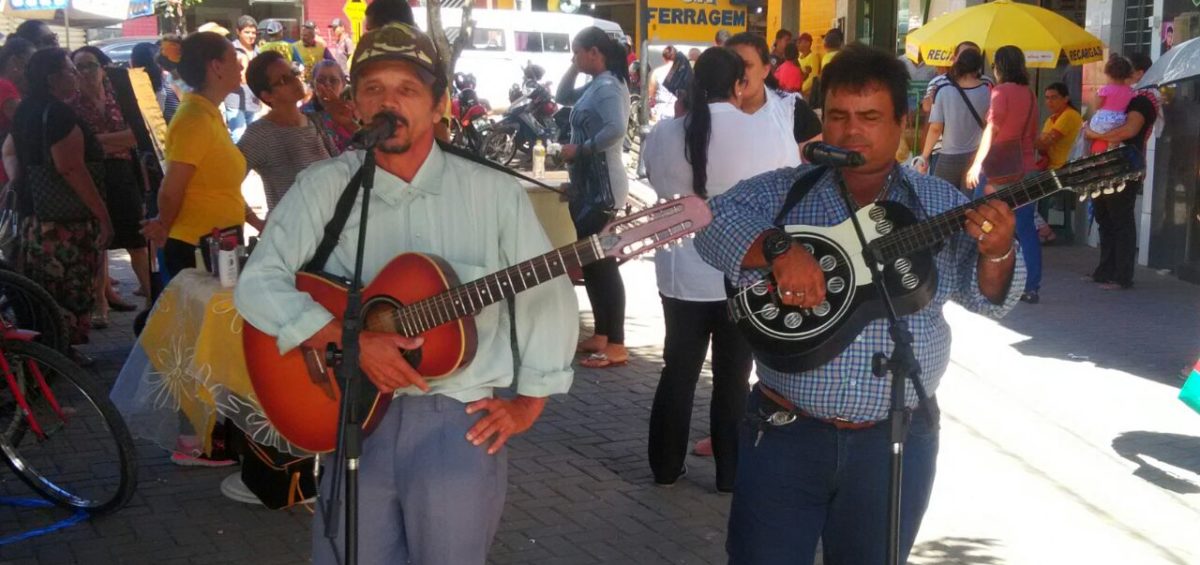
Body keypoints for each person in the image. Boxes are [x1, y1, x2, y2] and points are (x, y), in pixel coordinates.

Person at [234, 22, 577, 563]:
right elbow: (258, 284)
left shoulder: (493, 193)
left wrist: (530, 401)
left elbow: (547, 294)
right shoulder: (325, 186)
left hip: (458, 419)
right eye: (372, 89)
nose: (387, 101)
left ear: (439, 105)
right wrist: (344, 339)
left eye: (407, 89)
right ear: (354, 104)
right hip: (349, 410)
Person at [693, 43, 1024, 565]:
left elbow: (990, 302)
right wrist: (780, 249)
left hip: (896, 441)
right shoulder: (786, 190)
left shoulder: (942, 205)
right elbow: (709, 224)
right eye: (839, 117)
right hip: (784, 433)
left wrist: (999, 249)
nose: (851, 132)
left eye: (869, 117)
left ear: (902, 122)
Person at [643, 47, 774, 493]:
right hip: (742, 272)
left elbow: (657, 185)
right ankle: (730, 476)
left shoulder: (663, 133)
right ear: (740, 85)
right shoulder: (762, 131)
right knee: (733, 377)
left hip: (680, 271)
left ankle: (664, 468)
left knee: (677, 369)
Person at [4, 48, 113, 347]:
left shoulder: (25, 109)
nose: (76, 75)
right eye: (69, 69)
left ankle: (48, 353)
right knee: (67, 291)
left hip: (33, 219)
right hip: (65, 225)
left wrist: (19, 180)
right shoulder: (59, 113)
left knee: (42, 291)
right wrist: (102, 215)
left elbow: (10, 152)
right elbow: (71, 167)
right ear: (53, 78)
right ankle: (63, 354)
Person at [140, 32, 264, 279]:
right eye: (233, 58)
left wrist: (255, 221)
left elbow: (222, 186)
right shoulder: (194, 118)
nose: (240, 64)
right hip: (195, 246)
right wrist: (163, 225)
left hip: (219, 243)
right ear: (216, 67)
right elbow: (171, 188)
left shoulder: (209, 113)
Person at [556, 27, 631, 369]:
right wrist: (574, 64)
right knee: (591, 262)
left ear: (594, 52)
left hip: (603, 189)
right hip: (587, 186)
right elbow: (562, 94)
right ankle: (602, 333)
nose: (575, 57)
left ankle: (616, 341)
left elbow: (615, 129)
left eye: (578, 52)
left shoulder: (609, 87)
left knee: (603, 263)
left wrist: (581, 149)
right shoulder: (596, 83)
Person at [71, 46, 147, 325]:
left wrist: (99, 141)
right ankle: (100, 303)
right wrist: (113, 140)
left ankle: (152, 297)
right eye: (80, 67)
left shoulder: (120, 99)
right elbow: (81, 145)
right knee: (100, 242)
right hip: (92, 175)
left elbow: (136, 137)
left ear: (103, 68)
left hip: (123, 172)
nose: (87, 72)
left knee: (136, 238)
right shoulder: (72, 105)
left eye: (92, 65)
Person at [967, 45, 1041, 304]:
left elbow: (992, 129)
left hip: (998, 170)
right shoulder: (1030, 95)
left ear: (999, 67)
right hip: (1026, 167)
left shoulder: (1000, 92)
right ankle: (1031, 287)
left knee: (978, 219)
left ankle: (976, 279)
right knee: (1026, 228)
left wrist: (977, 163)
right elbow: (1033, 134)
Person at [1084, 51, 1157, 291]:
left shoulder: (1142, 101)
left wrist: (1096, 135)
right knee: (1104, 217)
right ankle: (1104, 271)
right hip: (1104, 164)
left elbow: (1128, 131)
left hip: (1123, 166)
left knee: (1120, 219)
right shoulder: (1126, 99)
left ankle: (1122, 275)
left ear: (1137, 74)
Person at [239, 51, 334, 210]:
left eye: (293, 73)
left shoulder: (315, 122)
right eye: (284, 80)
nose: (295, 81)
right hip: (291, 231)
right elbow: (226, 186)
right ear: (267, 95)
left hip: (331, 229)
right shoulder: (260, 134)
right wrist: (257, 222)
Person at [918, 48, 990, 192]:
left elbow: (935, 128)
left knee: (942, 202)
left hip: (948, 157)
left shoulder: (944, 90)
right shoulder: (986, 91)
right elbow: (988, 125)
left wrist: (924, 156)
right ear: (978, 67)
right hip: (974, 156)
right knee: (968, 206)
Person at [922, 41, 991, 115]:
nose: (969, 60)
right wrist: (932, 98)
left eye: (973, 56)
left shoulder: (987, 82)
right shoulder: (938, 82)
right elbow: (927, 107)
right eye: (964, 56)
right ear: (953, 59)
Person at [0, 38, 34, 186]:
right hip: (5, 170)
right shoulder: (5, 87)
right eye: (30, 64)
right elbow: (26, 123)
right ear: (15, 61)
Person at [303, 59, 356, 155]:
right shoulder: (303, 115)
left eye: (333, 81)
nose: (327, 84)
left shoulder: (354, 111)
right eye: (321, 80)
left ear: (343, 84)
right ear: (313, 84)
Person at [1088, 54, 1135, 154]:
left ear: (1108, 74)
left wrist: (1096, 95)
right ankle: (1112, 145)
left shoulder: (1105, 90)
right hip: (1120, 120)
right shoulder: (1130, 91)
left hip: (1103, 120)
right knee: (1114, 137)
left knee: (1091, 131)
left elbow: (1097, 105)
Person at [1035, 82, 1083, 171]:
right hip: (1052, 168)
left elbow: (1045, 143)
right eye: (1047, 98)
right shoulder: (1051, 119)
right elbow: (1042, 149)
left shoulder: (1069, 115)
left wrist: (1026, 141)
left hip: (1066, 168)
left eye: (1054, 97)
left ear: (1066, 99)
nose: (1049, 101)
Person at [648, 46, 678, 121]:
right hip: (678, 111)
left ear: (663, 58)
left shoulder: (657, 72)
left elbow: (651, 93)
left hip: (660, 111)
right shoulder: (681, 72)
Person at [796, 33, 819, 99]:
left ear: (807, 43)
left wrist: (801, 88)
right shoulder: (798, 58)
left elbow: (813, 77)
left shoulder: (813, 57)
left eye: (800, 42)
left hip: (806, 93)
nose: (798, 44)